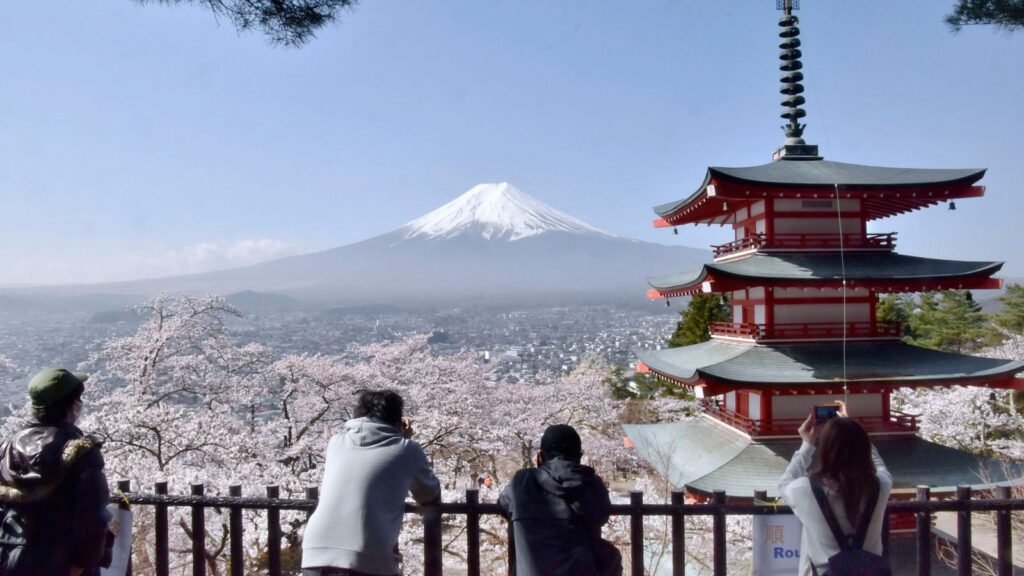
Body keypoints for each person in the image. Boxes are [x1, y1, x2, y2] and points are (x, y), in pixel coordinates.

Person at [302, 390, 441, 576]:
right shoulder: (408, 450)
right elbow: (430, 494)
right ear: (397, 420)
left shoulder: (335, 443)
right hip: (367, 554)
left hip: (316, 551)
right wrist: (404, 437)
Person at [0, 367, 112, 576]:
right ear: (70, 406)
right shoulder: (81, 452)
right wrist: (81, 564)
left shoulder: (8, 447)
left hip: (9, 557)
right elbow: (93, 515)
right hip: (61, 560)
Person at [779, 405, 893, 576]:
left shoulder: (805, 489)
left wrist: (807, 445)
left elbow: (784, 483)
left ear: (826, 449)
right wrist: (853, 431)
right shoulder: (880, 486)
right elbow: (879, 466)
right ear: (863, 447)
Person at [498, 424, 619, 576]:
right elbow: (602, 516)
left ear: (540, 457)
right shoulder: (592, 484)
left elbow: (503, 506)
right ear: (580, 457)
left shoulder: (522, 483)